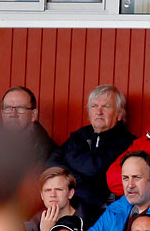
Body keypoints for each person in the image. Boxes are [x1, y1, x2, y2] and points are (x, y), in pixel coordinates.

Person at [51, 84, 136, 219]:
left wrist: (69, 163)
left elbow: (95, 167)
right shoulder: (79, 135)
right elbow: (52, 163)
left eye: (106, 106)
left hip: (103, 212)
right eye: (94, 106)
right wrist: (79, 182)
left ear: (119, 114)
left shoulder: (126, 141)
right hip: (69, 205)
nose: (99, 111)